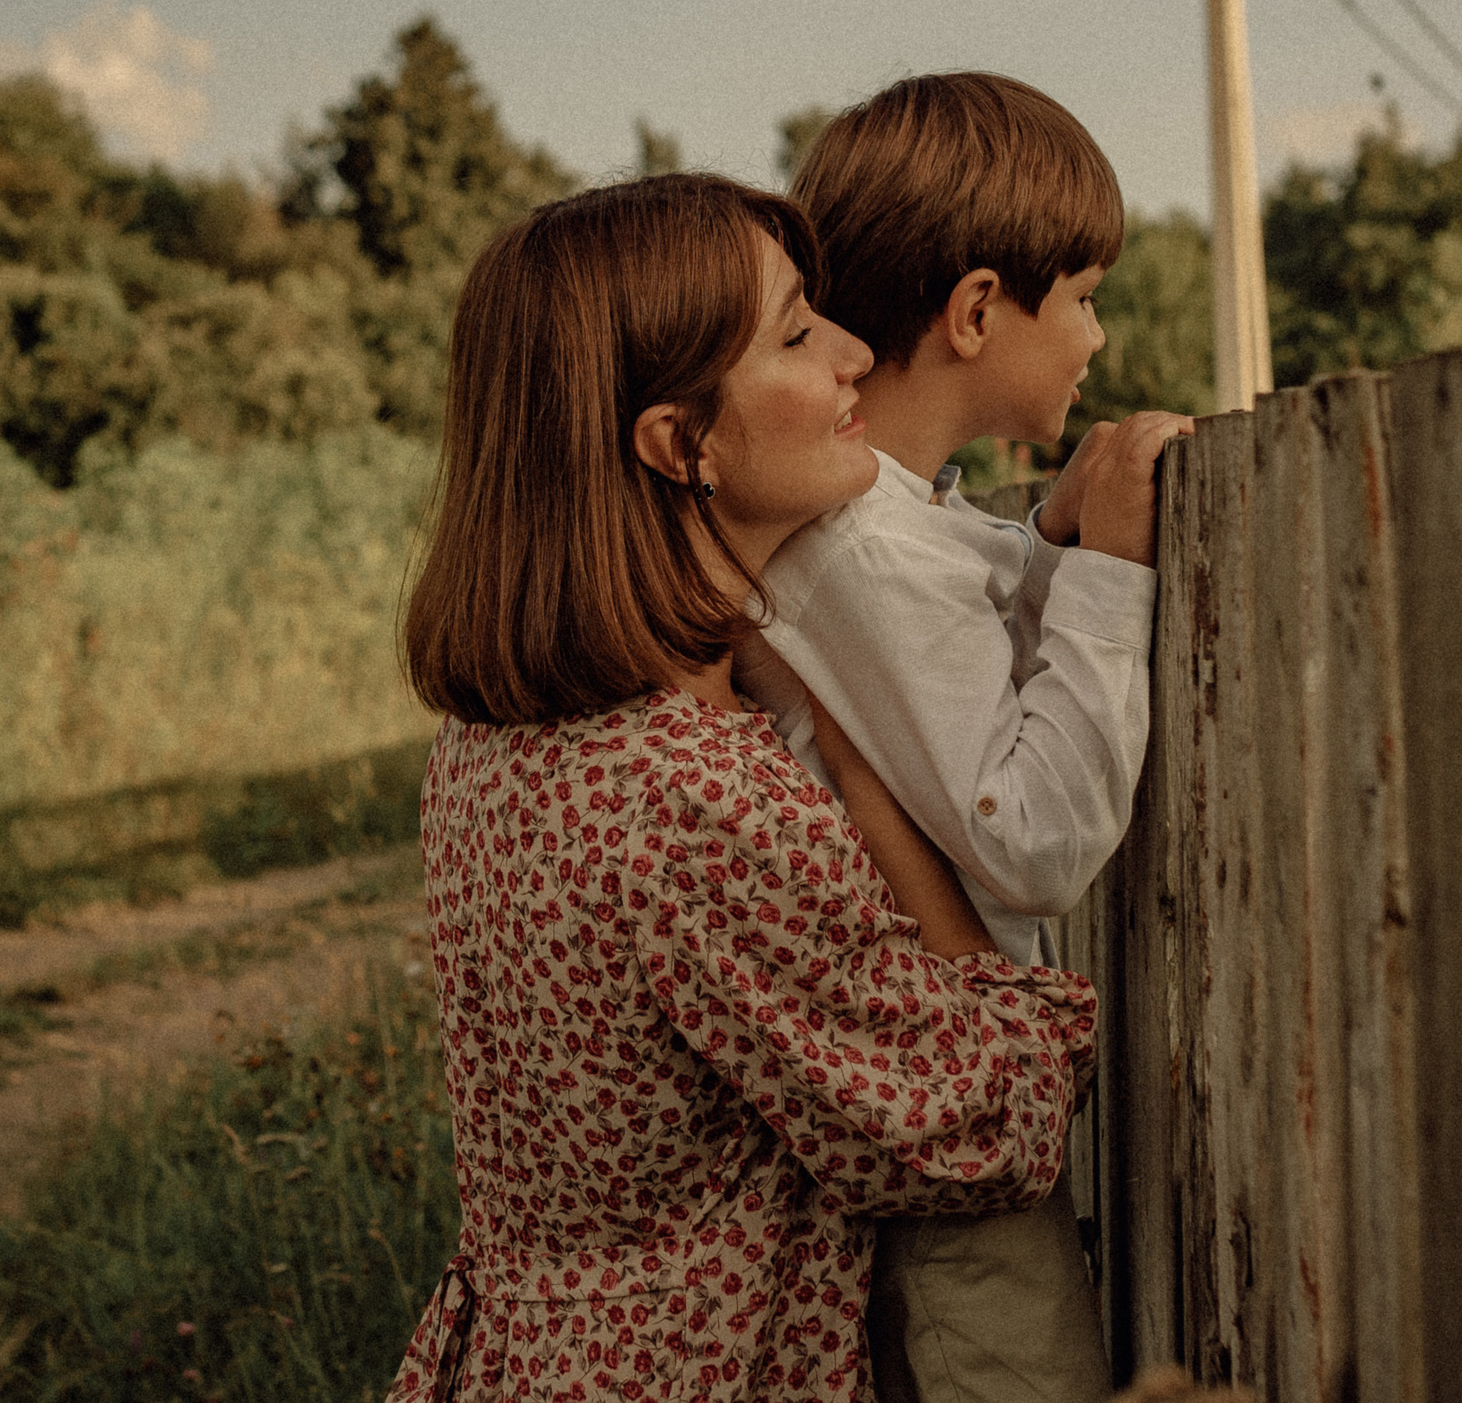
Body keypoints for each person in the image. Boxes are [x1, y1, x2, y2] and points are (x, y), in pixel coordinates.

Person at [390, 172, 1096, 1403]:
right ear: (680, 444)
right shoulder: (694, 787)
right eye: (794, 333)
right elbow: (979, 1121)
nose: (855, 356)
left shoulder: (489, 747)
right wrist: (864, 759)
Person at [737, 72, 1191, 1403]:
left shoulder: (887, 519)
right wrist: (1109, 570)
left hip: (936, 1103)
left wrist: (1043, 541)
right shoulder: (861, 543)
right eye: (1087, 295)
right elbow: (1028, 840)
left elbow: (955, 604)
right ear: (982, 309)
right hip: (944, 1159)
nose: (1100, 336)